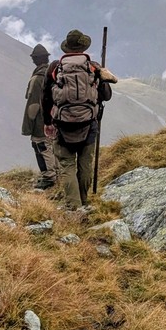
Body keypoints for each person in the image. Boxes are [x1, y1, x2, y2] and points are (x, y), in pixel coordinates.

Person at [40, 29, 114, 210]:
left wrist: (48, 123)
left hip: (62, 124)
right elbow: (106, 95)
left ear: (67, 48)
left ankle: (73, 207)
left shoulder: (55, 68)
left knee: (66, 165)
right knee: (85, 163)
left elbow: (45, 97)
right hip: (89, 124)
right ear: (83, 47)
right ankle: (84, 202)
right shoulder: (93, 67)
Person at [21, 43, 59, 190]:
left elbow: (33, 104)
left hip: (40, 120)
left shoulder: (37, 78)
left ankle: (49, 176)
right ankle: (55, 173)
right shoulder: (53, 74)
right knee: (51, 145)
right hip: (55, 116)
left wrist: (29, 124)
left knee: (41, 145)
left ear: (36, 59)